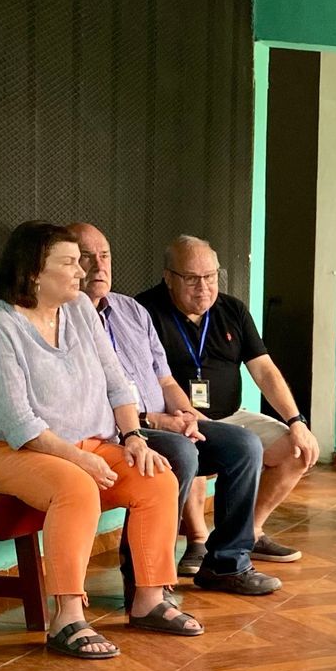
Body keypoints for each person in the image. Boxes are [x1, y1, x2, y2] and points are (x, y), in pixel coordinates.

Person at [0, 222, 203, 658]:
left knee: (157, 479)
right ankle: (67, 617)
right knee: (75, 486)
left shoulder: (81, 311)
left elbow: (118, 383)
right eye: (70, 263)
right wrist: (80, 460)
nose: (82, 272)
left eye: (83, 262)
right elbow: (19, 424)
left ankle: (149, 600)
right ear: (34, 271)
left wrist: (134, 438)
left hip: (80, 444)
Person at [69, 224, 279, 598]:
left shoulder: (131, 310)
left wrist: (187, 415)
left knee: (243, 445)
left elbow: (164, 381)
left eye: (105, 256)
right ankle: (147, 575)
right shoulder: (64, 319)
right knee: (179, 452)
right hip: (115, 430)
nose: (98, 265)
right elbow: (88, 397)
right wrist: (153, 421)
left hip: (161, 422)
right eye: (86, 257)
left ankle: (226, 564)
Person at [137, 236, 318, 572]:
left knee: (298, 450)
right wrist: (177, 417)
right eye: (191, 278)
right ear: (168, 277)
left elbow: (264, 370)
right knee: (192, 445)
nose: (203, 287)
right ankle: (198, 542)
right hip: (173, 420)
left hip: (231, 413)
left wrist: (296, 421)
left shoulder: (232, 309)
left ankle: (249, 531)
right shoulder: (144, 311)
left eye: (211, 276)